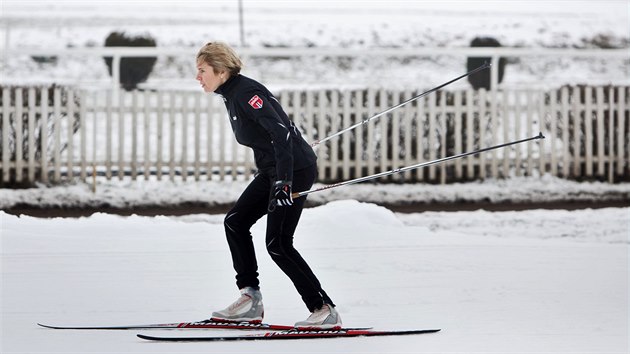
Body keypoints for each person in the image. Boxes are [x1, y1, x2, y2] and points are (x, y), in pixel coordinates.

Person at [195, 41, 341, 329]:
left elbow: (281, 133)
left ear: (221, 71)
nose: (197, 77)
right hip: (272, 170)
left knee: (278, 244)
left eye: (202, 71)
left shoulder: (247, 92)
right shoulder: (231, 93)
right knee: (235, 222)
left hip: (292, 171)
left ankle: (323, 309)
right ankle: (250, 299)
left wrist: (284, 181)